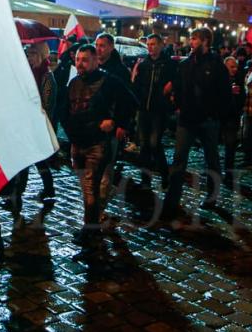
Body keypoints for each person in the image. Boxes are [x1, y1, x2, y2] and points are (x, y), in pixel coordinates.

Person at [58, 44, 135, 250]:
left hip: (97, 144)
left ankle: (90, 230)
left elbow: (130, 101)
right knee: (86, 188)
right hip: (78, 144)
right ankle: (91, 227)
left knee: (91, 188)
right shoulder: (73, 83)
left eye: (84, 60)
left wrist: (117, 122)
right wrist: (70, 131)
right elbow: (64, 110)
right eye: (78, 60)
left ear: (94, 61)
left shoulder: (109, 82)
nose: (80, 63)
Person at [162, 27, 230, 218]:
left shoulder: (217, 65)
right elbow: (178, 85)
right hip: (186, 119)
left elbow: (224, 95)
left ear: (206, 41)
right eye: (191, 39)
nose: (191, 42)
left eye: (194, 39)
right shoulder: (185, 64)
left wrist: (217, 116)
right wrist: (176, 101)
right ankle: (172, 199)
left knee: (212, 160)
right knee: (178, 159)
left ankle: (212, 195)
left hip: (208, 120)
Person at [12, 42, 58, 205]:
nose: (29, 57)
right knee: (29, 158)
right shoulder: (29, 73)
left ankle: (20, 193)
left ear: (39, 55)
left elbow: (47, 104)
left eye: (32, 53)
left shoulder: (46, 76)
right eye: (28, 53)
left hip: (38, 124)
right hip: (27, 122)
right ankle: (21, 192)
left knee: (33, 158)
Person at [132, 33, 176, 188]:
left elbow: (177, 82)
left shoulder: (168, 64)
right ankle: (145, 178)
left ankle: (165, 174)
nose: (150, 47)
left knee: (154, 143)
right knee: (144, 144)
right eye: (148, 44)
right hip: (144, 108)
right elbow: (137, 85)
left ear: (161, 45)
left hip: (159, 110)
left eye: (153, 44)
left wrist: (171, 88)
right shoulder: (144, 64)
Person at [222, 56, 245, 187]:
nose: (235, 69)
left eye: (236, 66)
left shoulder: (239, 79)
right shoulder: (219, 79)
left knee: (230, 146)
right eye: (232, 67)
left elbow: (242, 97)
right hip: (219, 116)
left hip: (232, 116)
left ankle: (228, 174)